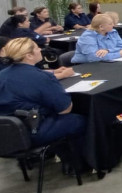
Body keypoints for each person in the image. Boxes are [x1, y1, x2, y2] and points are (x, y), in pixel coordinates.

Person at [0, 38, 87, 170]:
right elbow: (65, 109)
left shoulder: (3, 75)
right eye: (36, 48)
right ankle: (78, 165)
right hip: (33, 131)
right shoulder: (40, 78)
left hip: (7, 135)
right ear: (28, 55)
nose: (40, 49)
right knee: (78, 119)